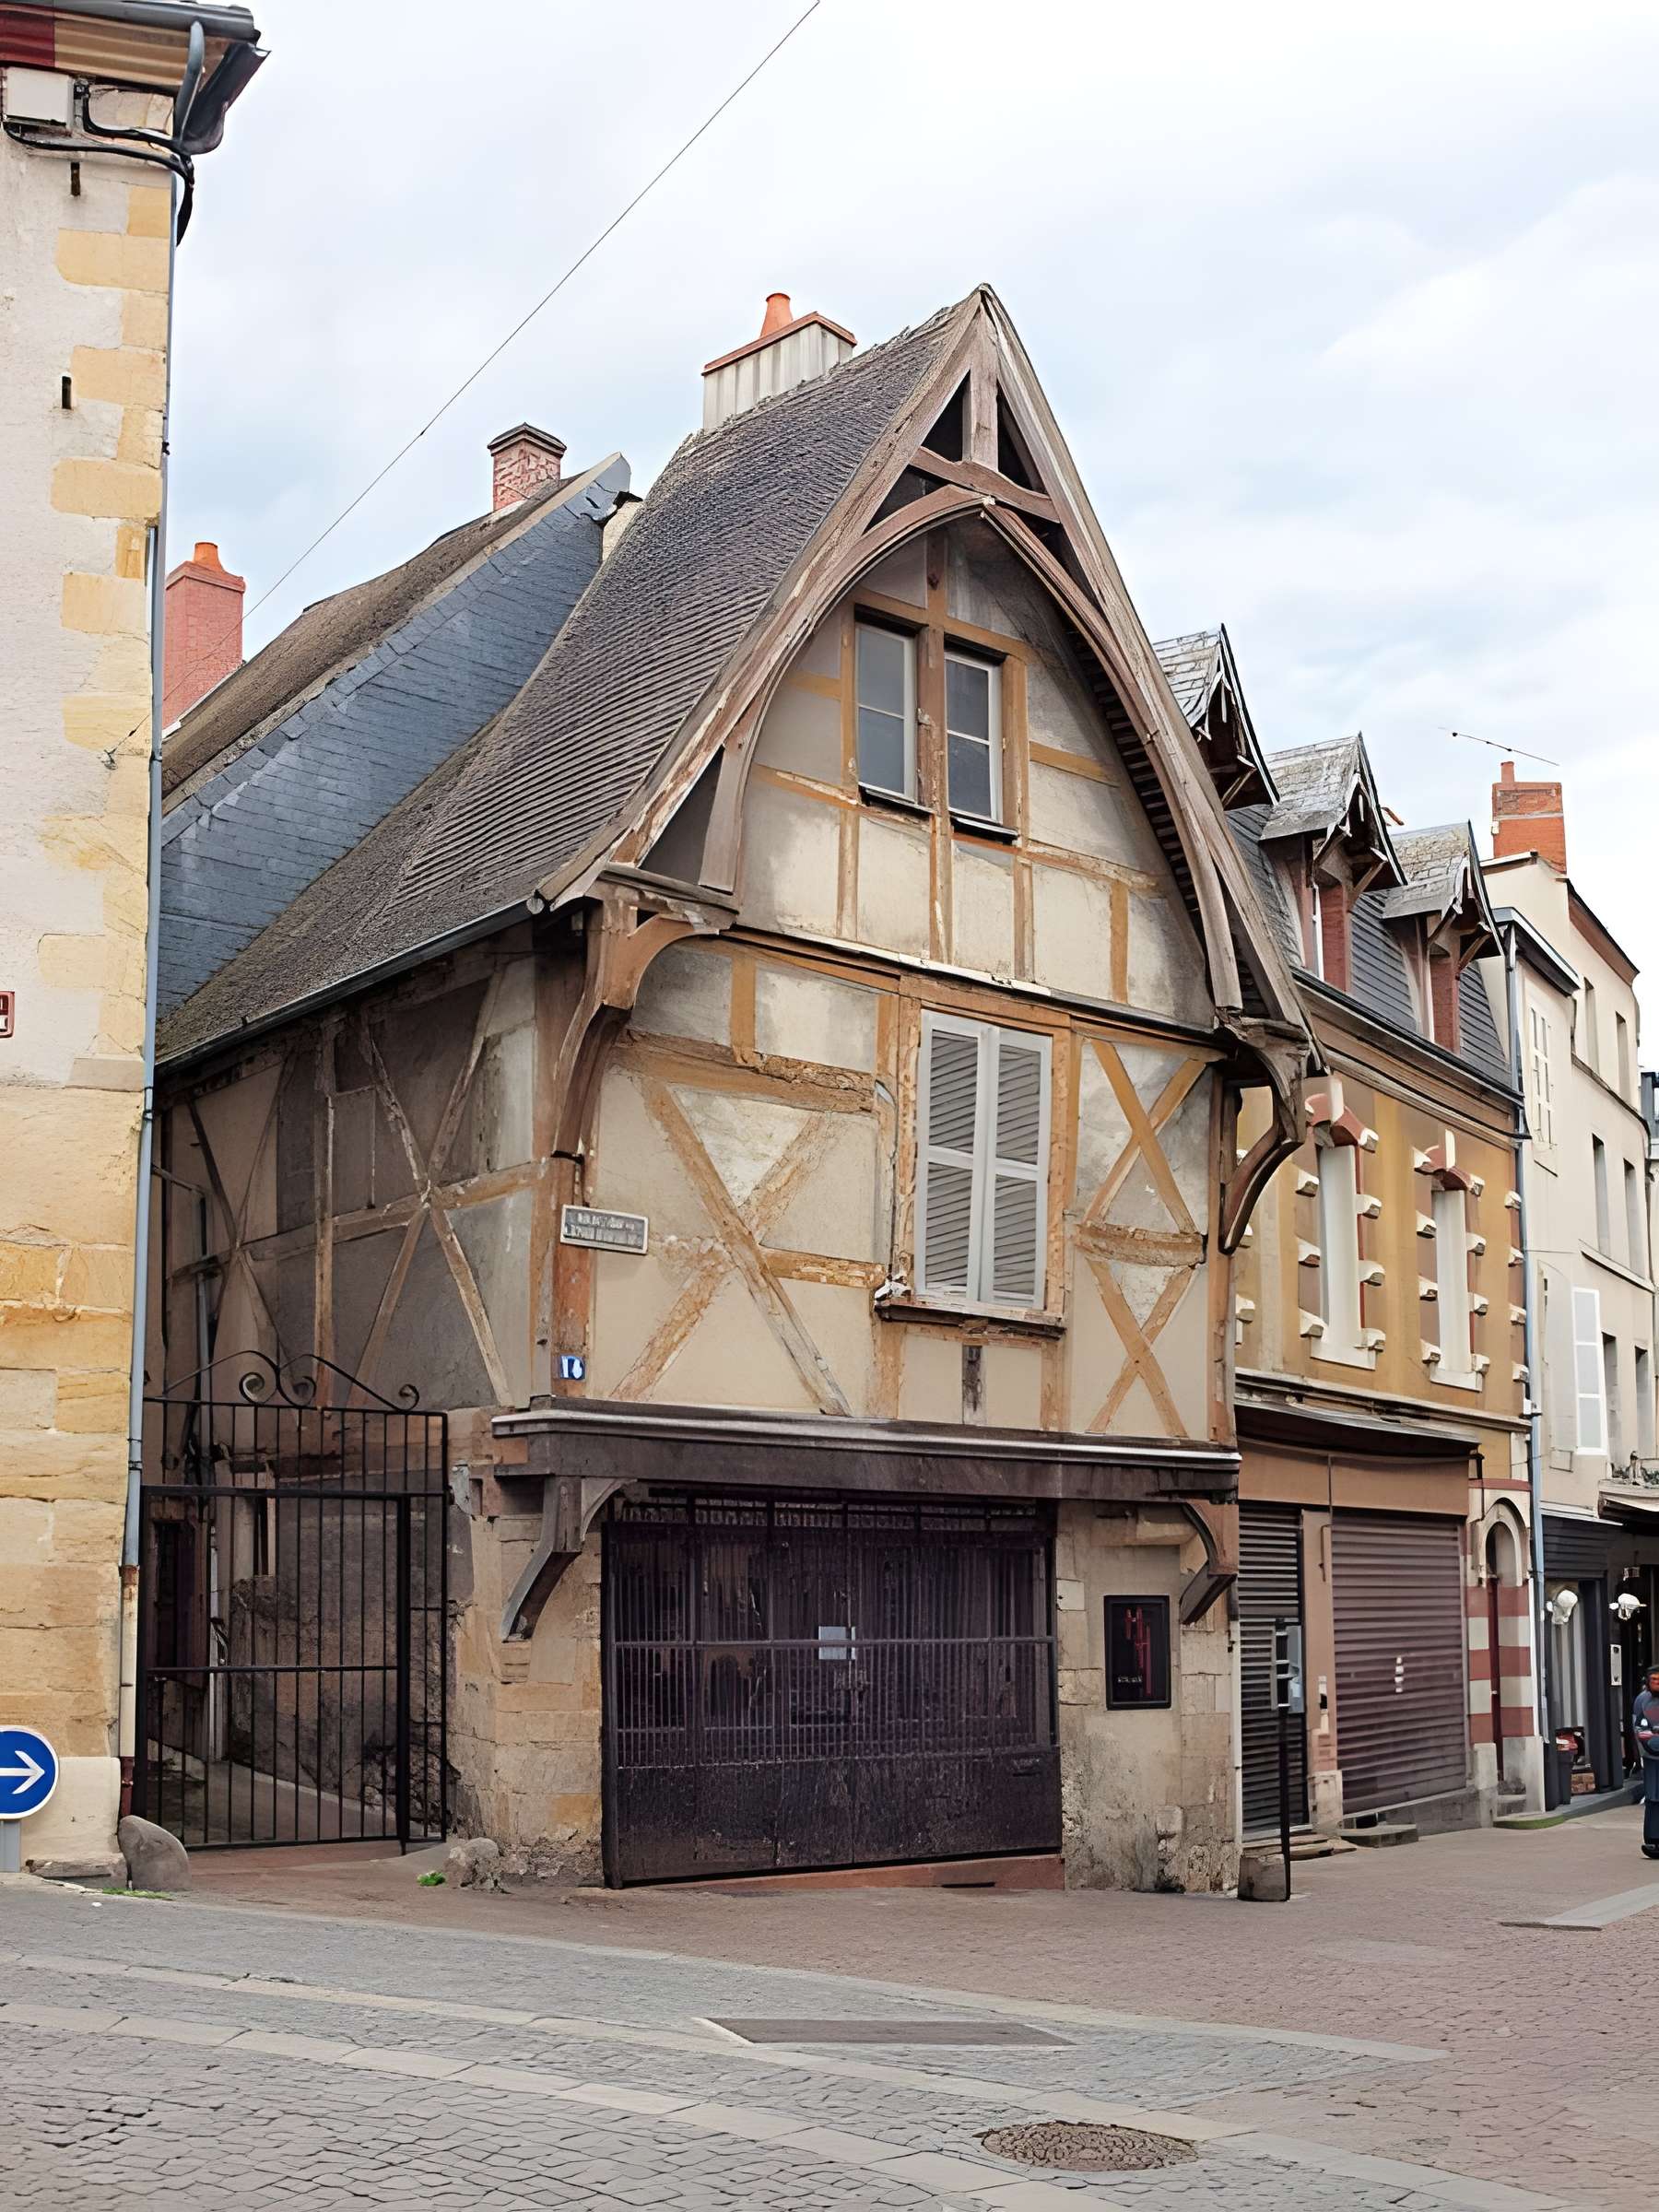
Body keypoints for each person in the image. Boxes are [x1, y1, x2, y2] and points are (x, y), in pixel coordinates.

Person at [1636, 1663, 1659, 1861]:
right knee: (1654, 1797)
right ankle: (1653, 1838)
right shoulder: (1644, 1701)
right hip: (1653, 1757)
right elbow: (1642, 1733)